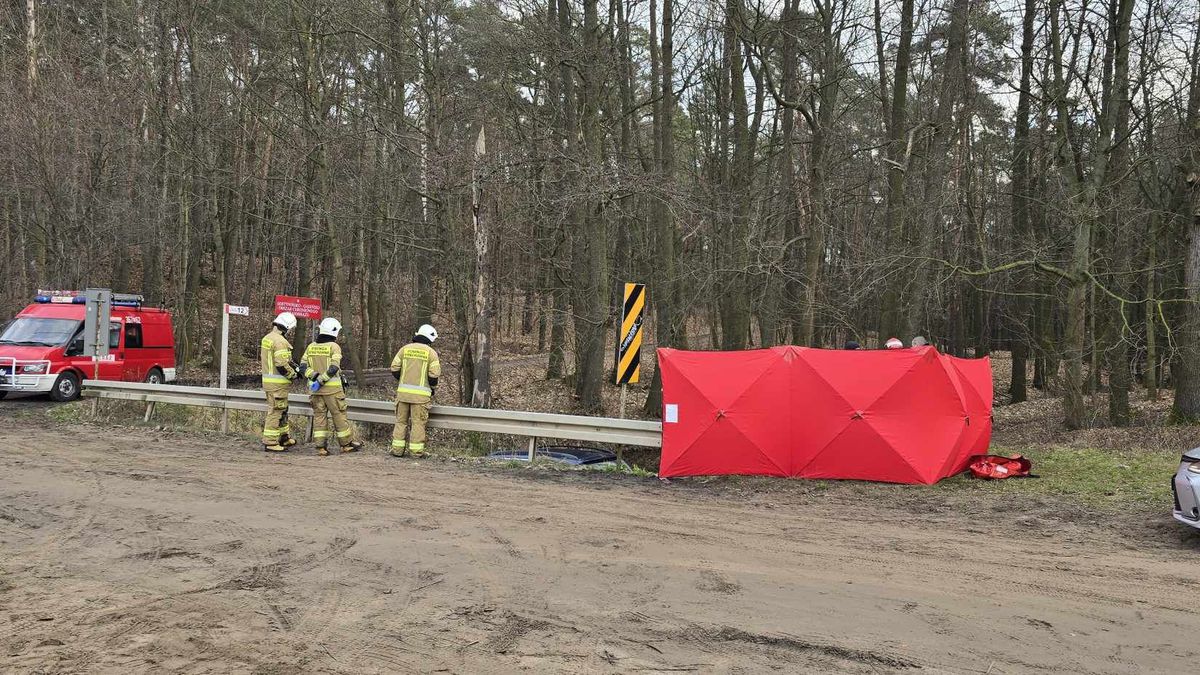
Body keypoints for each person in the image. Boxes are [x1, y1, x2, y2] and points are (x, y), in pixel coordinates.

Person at [302, 317, 364, 456]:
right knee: (339, 416)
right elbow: (334, 368)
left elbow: (303, 367)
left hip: (315, 391)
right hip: (333, 391)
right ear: (334, 331)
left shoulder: (311, 347)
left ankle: (320, 448)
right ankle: (346, 445)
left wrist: (315, 377)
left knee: (319, 417)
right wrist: (322, 380)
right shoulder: (334, 346)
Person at [390, 324, 441, 458]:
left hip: (402, 395)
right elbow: (434, 376)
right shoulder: (431, 353)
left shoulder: (404, 349)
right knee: (418, 424)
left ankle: (397, 450)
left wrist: (402, 380)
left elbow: (394, 368)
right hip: (421, 398)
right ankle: (416, 452)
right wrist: (432, 389)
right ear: (430, 338)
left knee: (401, 422)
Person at [260, 312, 304, 452]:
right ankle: (271, 442)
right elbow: (281, 364)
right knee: (276, 411)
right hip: (277, 385)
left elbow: (282, 360)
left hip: (270, 383)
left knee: (283, 410)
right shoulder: (280, 341)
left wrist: (294, 366)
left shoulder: (268, 338)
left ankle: (284, 438)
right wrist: (293, 375)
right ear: (286, 327)